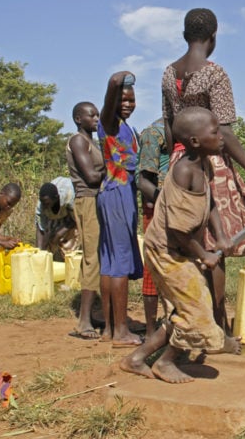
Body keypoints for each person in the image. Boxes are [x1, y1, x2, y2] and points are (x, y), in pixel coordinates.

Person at [161, 8, 245, 331]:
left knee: (187, 241)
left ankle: (187, 319)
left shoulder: (168, 74)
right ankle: (218, 322)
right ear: (213, 37)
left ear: (186, 36)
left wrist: (169, 171)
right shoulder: (216, 74)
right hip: (210, 166)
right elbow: (224, 133)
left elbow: (171, 128)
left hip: (179, 162)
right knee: (214, 244)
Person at [120, 107, 241, 383]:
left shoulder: (204, 163)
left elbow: (210, 204)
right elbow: (177, 229)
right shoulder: (184, 170)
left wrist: (220, 235)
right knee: (197, 306)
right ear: (196, 141)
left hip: (178, 249)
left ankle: (136, 359)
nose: (222, 136)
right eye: (214, 132)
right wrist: (204, 254)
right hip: (166, 250)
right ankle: (165, 362)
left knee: (182, 309)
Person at [98, 71, 144, 347]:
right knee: (120, 263)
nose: (127, 103)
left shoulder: (128, 128)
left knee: (109, 261)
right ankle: (121, 330)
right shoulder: (109, 123)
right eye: (122, 99)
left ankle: (109, 328)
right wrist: (120, 80)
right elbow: (113, 84)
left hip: (116, 192)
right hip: (118, 192)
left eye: (132, 99)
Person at [66, 101, 105, 340]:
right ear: (78, 119)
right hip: (88, 201)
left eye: (97, 114)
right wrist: (114, 167)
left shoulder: (92, 142)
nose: (96, 118)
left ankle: (95, 313)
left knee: (96, 256)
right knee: (92, 259)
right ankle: (83, 321)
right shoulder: (78, 141)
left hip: (95, 202)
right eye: (91, 115)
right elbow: (91, 177)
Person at [136, 117, 171, 337]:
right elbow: (143, 181)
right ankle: (150, 330)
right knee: (152, 269)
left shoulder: (186, 132)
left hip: (180, 211)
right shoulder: (154, 133)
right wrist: (164, 202)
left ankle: (171, 325)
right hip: (157, 210)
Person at [35, 177, 79, 262]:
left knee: (68, 245)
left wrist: (58, 234)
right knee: (48, 241)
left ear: (56, 198)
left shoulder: (69, 197)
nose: (44, 206)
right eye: (42, 203)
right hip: (56, 213)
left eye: (47, 203)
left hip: (71, 215)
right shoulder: (41, 206)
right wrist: (39, 254)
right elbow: (41, 229)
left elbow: (76, 219)